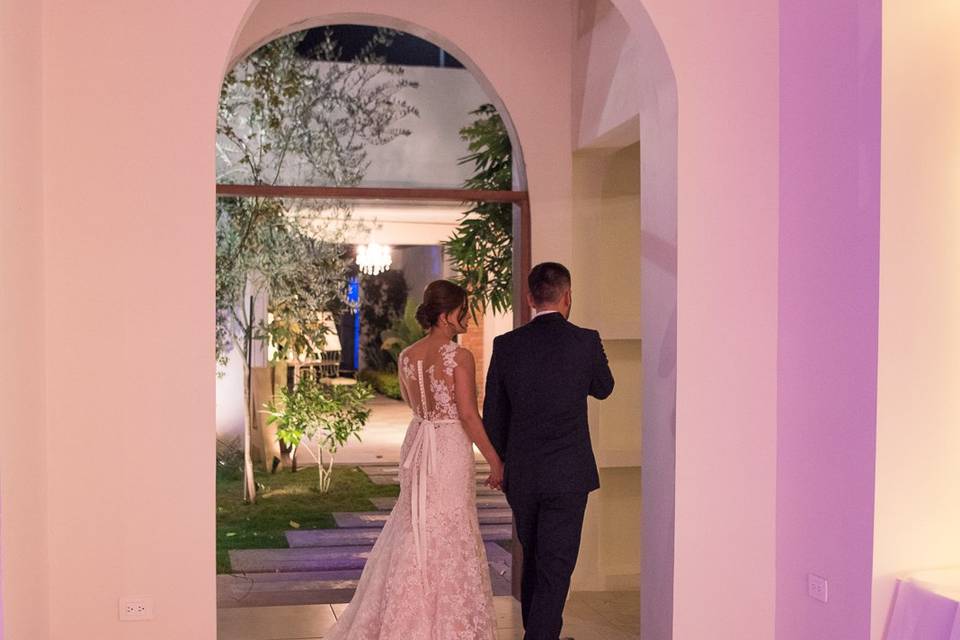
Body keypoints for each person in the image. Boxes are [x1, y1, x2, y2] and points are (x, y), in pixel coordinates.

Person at [326, 279, 503, 640]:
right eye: (463, 310)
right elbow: (468, 415)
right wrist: (495, 461)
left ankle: (406, 613)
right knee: (450, 525)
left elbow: (412, 403)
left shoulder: (407, 355)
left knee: (415, 521)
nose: (467, 316)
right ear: (447, 315)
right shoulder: (459, 356)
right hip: (449, 446)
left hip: (419, 441)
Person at [483, 262, 615, 640]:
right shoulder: (585, 341)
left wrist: (506, 461)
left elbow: (493, 415)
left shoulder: (506, 345)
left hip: (522, 474)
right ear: (567, 296)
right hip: (568, 474)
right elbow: (604, 387)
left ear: (529, 299)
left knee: (536, 557)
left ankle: (544, 633)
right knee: (556, 565)